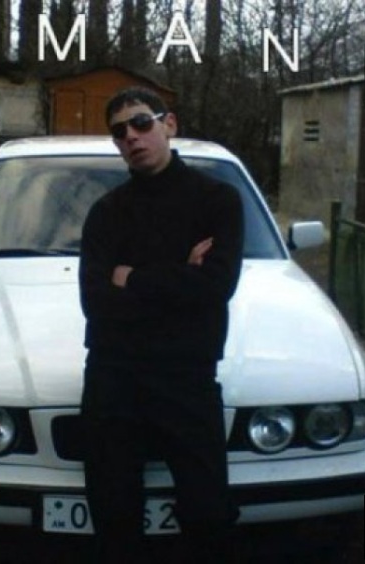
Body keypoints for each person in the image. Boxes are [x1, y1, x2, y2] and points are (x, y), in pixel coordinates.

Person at [78, 86, 244, 563]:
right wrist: (181, 277)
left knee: (208, 516)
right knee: (114, 520)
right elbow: (96, 304)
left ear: (168, 124)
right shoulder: (106, 213)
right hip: (114, 382)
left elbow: (215, 287)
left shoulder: (217, 201)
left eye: (141, 123)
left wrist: (131, 278)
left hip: (187, 378)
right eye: (119, 132)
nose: (131, 136)